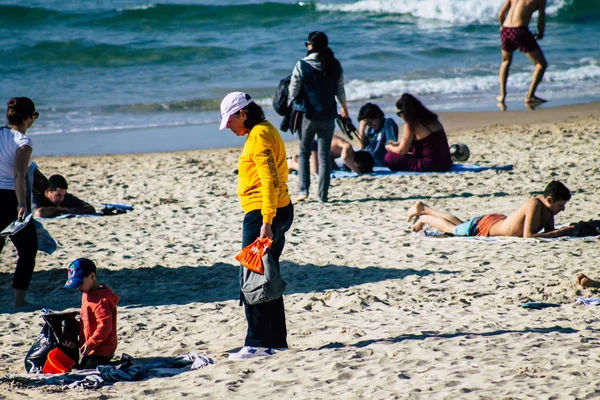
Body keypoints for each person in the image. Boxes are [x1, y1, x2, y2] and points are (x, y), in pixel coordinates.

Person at [219, 92, 294, 360]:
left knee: (252, 278)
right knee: (267, 277)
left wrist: (266, 221)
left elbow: (270, 179)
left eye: (230, 120)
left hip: (263, 213)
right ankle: (277, 341)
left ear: (243, 113)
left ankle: (257, 343)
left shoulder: (260, 135)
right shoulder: (265, 130)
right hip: (277, 209)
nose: (228, 126)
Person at [289, 31, 349, 203]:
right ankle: (323, 195)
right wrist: (344, 108)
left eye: (307, 43)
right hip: (329, 115)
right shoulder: (334, 65)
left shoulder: (302, 65)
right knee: (323, 156)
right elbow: (340, 90)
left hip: (308, 116)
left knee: (304, 153)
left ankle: (303, 190)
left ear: (311, 45)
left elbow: (293, 91)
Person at [407, 180, 573, 238]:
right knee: (455, 229)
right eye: (560, 206)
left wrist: (560, 231)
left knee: (460, 224)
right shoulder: (535, 204)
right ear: (549, 199)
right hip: (486, 226)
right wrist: (563, 231)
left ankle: (424, 208)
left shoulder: (548, 210)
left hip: (494, 222)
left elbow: (549, 232)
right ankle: (424, 218)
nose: (562, 210)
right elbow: (528, 236)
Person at [0, 97, 38, 308]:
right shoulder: (23, 142)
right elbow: (18, 174)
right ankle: (19, 300)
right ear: (28, 117)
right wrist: (21, 203)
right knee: (27, 250)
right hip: (9, 197)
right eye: (34, 116)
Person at [64, 258, 120, 369]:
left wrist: (91, 343)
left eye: (80, 283)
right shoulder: (86, 293)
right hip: (91, 348)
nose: (78, 287)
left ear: (92, 277)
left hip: (101, 350)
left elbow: (105, 326)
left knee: (88, 371)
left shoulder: (101, 301)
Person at [384, 93, 453, 172]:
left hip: (431, 164)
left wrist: (389, 147)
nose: (400, 116)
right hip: (446, 163)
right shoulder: (433, 120)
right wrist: (400, 144)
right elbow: (428, 144)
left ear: (405, 112)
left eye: (399, 113)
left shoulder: (411, 124)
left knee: (389, 157)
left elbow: (402, 151)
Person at [497, 0, 548, 105]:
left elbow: (501, 14)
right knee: (541, 64)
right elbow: (541, 18)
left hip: (506, 30)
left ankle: (502, 95)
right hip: (519, 31)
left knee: (505, 62)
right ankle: (530, 96)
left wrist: (502, 26)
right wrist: (540, 32)